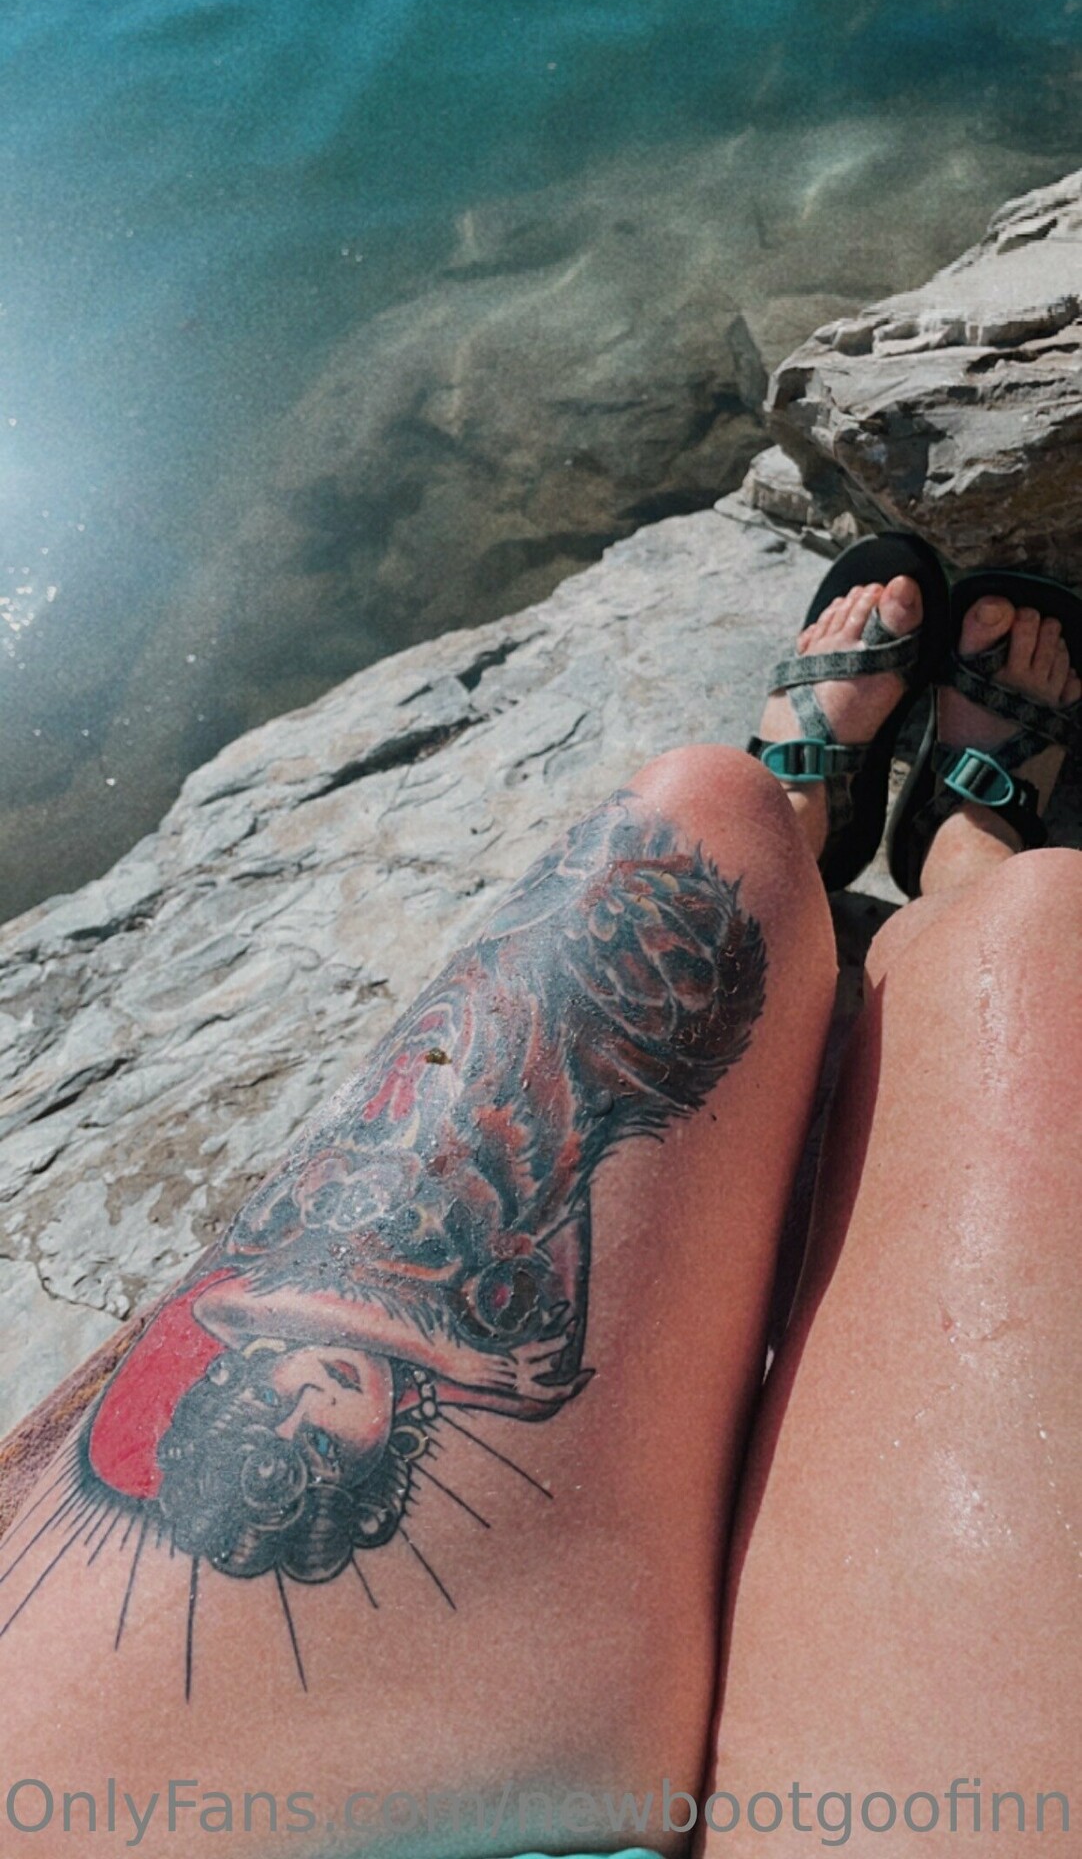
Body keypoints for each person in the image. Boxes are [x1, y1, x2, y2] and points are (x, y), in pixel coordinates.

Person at [0, 538, 1077, 1859]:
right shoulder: (499, 1360)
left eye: (260, 1401)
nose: (297, 1391)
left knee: (701, 828)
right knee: (1040, 938)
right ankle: (968, 851)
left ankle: (810, 823)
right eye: (317, 1429)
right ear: (378, 1454)